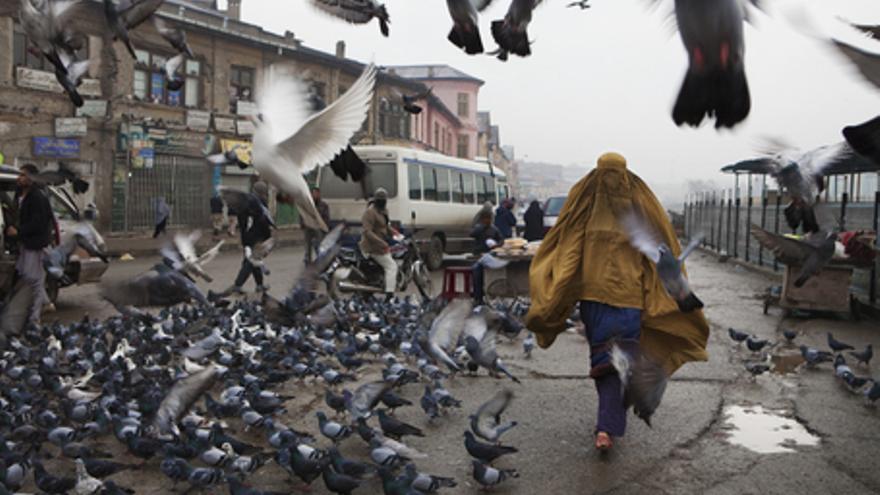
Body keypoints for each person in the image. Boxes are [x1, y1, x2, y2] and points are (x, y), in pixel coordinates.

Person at [525, 152, 709, 452]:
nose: (611, 182)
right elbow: (566, 250)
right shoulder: (584, 209)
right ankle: (612, 418)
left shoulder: (632, 210)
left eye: (616, 174)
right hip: (596, 301)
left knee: (614, 362)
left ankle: (606, 428)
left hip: (627, 302)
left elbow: (661, 256)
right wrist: (559, 289)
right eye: (605, 174)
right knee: (609, 361)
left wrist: (669, 292)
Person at [5, 164, 54, 324]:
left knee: (34, 280)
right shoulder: (19, 195)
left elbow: (38, 224)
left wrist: (18, 231)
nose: (19, 178)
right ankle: (46, 304)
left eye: (23, 175)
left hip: (36, 245)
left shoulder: (37, 198)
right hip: (25, 244)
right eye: (19, 175)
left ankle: (34, 318)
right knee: (28, 276)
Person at [225, 182, 273, 294]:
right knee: (251, 261)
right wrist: (267, 236)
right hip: (256, 237)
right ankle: (238, 285)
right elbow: (263, 221)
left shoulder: (246, 202)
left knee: (254, 261)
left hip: (247, 235)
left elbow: (242, 220)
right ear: (262, 192)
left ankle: (259, 285)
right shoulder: (259, 203)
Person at [359, 187, 397, 299]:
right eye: (381, 200)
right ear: (376, 201)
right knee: (392, 266)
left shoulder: (384, 211)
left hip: (380, 245)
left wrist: (397, 235)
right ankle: (389, 295)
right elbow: (367, 232)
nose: (383, 203)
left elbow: (386, 226)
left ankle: (386, 281)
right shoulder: (369, 213)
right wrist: (382, 243)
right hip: (372, 247)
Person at [470, 207, 503, 305]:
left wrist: (496, 245)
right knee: (476, 271)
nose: (488, 221)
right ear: (482, 219)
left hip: (490, 256)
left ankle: (491, 293)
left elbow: (501, 240)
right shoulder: (478, 228)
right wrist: (480, 228)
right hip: (479, 256)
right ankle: (478, 297)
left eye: (490, 219)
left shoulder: (494, 229)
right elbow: (471, 234)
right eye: (486, 219)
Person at [301, 187, 330, 263]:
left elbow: (326, 217)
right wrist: (302, 224)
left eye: (316, 193)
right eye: (313, 193)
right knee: (308, 245)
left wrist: (324, 227)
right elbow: (302, 214)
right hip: (308, 227)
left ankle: (322, 260)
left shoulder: (324, 205)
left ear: (319, 194)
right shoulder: (307, 204)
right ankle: (308, 259)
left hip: (319, 228)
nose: (315, 195)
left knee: (321, 244)